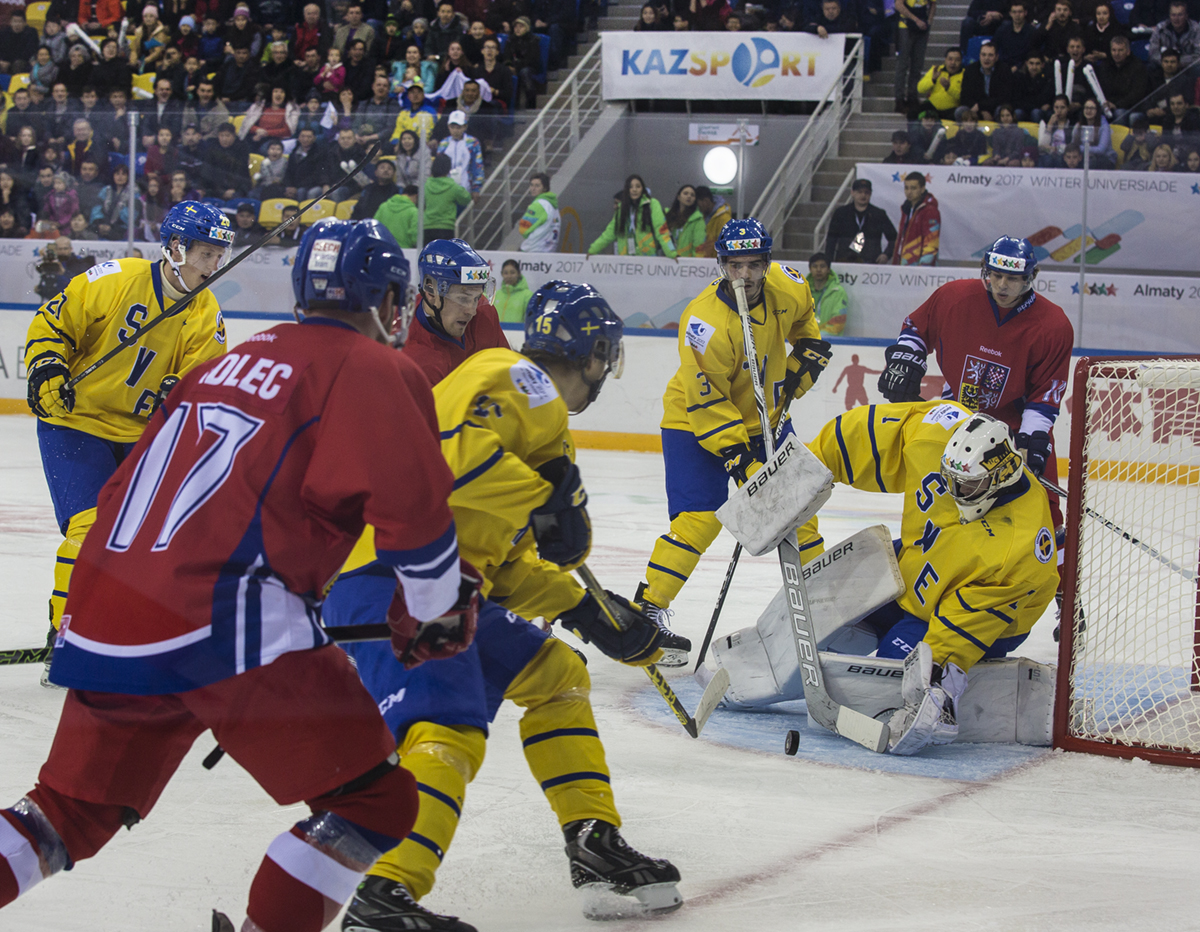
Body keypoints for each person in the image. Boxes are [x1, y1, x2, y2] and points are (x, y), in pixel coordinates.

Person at [2, 217, 481, 932]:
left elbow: (121, 491)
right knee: (374, 801)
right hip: (225, 618)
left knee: (66, 814)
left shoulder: (224, 362)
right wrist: (436, 607)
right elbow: (414, 515)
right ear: (390, 300)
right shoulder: (372, 368)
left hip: (107, 602)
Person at [326, 280, 680, 932]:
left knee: (558, 675)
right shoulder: (519, 379)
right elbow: (451, 458)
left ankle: (593, 839)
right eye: (606, 356)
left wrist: (587, 612)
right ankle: (383, 895)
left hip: (445, 582)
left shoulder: (537, 414)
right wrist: (545, 497)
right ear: (593, 354)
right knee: (447, 727)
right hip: (393, 577)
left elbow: (506, 565)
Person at [718, 402, 1058, 757]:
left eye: (967, 486)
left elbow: (964, 626)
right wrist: (803, 472)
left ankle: (964, 693)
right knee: (827, 595)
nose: (954, 490)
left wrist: (934, 681)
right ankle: (757, 669)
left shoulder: (1019, 548)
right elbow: (863, 437)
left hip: (963, 621)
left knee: (885, 682)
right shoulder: (935, 435)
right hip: (913, 568)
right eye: (949, 479)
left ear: (999, 479)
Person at [21, 201, 232, 685]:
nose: (214, 265)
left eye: (219, 256)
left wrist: (179, 395)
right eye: (206, 254)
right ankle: (65, 638)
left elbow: (202, 389)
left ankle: (123, 632)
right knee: (90, 530)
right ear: (176, 247)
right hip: (75, 423)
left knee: (148, 542)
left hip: (140, 438)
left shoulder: (207, 315)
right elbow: (53, 323)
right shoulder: (114, 279)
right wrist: (48, 366)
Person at [635, 219, 830, 664]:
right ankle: (647, 610)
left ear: (767, 264)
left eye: (754, 265)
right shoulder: (703, 321)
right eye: (735, 266)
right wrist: (738, 458)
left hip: (767, 420)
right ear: (722, 266)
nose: (744, 276)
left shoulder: (789, 286)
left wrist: (804, 357)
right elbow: (706, 400)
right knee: (699, 519)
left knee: (799, 508)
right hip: (694, 423)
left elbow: (806, 322)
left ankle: (823, 604)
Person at [876, 235, 1073, 540]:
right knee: (946, 500)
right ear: (985, 270)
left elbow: (1044, 396)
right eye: (996, 275)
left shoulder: (1053, 326)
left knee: (1042, 513)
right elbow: (916, 328)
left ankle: (1050, 564)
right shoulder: (955, 297)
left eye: (1012, 279)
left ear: (1031, 277)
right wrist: (905, 358)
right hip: (958, 417)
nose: (1002, 286)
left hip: (1015, 428)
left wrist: (1030, 440)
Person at [399, 238, 507, 383]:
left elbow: (509, 376)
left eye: (476, 297)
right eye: (462, 298)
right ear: (431, 292)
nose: (472, 311)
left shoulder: (484, 313)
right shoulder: (411, 352)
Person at [586, 174, 676, 258]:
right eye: (631, 187)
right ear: (627, 190)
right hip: (626, 260)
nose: (634, 190)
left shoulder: (652, 204)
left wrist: (672, 253)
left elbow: (661, 230)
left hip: (647, 258)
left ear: (642, 189)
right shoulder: (621, 208)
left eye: (638, 186)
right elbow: (609, 233)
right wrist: (593, 250)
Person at [824, 178, 897, 263]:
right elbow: (831, 239)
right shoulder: (841, 213)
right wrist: (828, 261)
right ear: (852, 193)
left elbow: (894, 238)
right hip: (845, 261)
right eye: (859, 192)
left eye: (866, 192)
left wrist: (886, 254)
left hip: (871, 262)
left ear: (870, 194)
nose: (863, 195)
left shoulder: (879, 214)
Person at [894, 0, 936, 114]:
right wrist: (915, 19)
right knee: (902, 65)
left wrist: (929, 21)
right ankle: (899, 99)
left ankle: (913, 97)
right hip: (905, 26)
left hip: (922, 26)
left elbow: (933, 4)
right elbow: (898, 4)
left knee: (917, 64)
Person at [892, 172, 940, 266]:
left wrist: (923, 268)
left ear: (922, 189)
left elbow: (931, 243)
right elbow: (901, 239)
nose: (909, 192)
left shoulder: (930, 211)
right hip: (903, 265)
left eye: (913, 188)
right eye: (906, 188)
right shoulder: (906, 209)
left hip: (919, 268)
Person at [422, 152, 473, 240]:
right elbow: (466, 199)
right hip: (446, 227)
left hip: (427, 226)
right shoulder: (453, 186)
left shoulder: (426, 185)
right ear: (448, 169)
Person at [435, 110, 484, 196]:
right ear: (448, 126)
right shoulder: (443, 143)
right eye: (452, 127)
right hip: (446, 189)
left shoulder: (472, 143)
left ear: (465, 127)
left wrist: (476, 188)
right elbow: (438, 167)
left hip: (465, 188)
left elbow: (478, 165)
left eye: (459, 127)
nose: (455, 131)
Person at [960, 42, 1010, 122]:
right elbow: (965, 97)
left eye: (990, 55)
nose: (986, 58)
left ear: (997, 57)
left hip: (994, 107)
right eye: (983, 55)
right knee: (960, 111)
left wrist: (981, 106)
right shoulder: (970, 70)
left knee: (1001, 110)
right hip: (976, 109)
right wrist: (981, 111)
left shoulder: (1004, 70)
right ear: (979, 56)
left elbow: (1004, 97)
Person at [992, 0, 1042, 72]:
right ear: (1010, 13)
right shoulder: (1002, 30)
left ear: (1025, 13)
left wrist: (1018, 66)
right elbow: (994, 47)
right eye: (1014, 12)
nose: (1017, 15)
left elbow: (1034, 54)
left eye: (1020, 12)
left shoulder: (1032, 32)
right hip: (1004, 68)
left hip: (1024, 69)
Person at [807, 252, 849, 336]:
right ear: (810, 269)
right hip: (804, 340)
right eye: (815, 266)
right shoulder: (803, 291)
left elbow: (838, 323)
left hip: (829, 341)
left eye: (822, 266)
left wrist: (815, 337)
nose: (818, 270)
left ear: (828, 269)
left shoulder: (838, 292)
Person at [1148, 1, 1200, 68]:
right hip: (1164, 67)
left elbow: (1198, 56)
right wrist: (1167, 63)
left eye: (1180, 15)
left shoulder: (1196, 30)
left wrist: (1176, 62)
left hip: (1188, 68)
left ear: (1186, 16)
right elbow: (1153, 53)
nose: (1176, 18)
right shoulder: (1160, 29)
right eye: (1173, 15)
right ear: (1169, 15)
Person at [519, 172, 561, 253]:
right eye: (531, 185)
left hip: (533, 249)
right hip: (549, 249)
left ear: (545, 188)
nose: (533, 188)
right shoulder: (553, 205)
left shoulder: (538, 205)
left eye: (537, 186)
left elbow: (523, 230)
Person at [917, 47, 964, 119]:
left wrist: (948, 88)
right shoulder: (936, 69)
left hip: (952, 110)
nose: (953, 63)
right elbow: (920, 89)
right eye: (950, 59)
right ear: (945, 60)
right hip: (933, 107)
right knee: (912, 113)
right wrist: (933, 80)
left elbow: (963, 97)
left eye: (957, 60)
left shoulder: (965, 74)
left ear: (961, 61)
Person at [664, 183, 706, 257]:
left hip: (687, 260)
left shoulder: (697, 219)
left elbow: (699, 243)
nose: (689, 196)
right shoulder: (667, 215)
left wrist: (697, 261)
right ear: (678, 197)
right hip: (668, 258)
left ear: (695, 200)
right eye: (685, 193)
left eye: (692, 195)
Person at [374, 183, 419, 247]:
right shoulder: (414, 211)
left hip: (383, 248)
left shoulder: (383, 206)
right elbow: (415, 236)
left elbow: (375, 227)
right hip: (404, 250)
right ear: (416, 196)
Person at [694, 184, 731, 257]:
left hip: (715, 260)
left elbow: (726, 244)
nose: (699, 209)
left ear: (706, 201)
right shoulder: (702, 216)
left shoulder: (723, 218)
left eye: (699, 206)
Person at [494, 257, 533, 323]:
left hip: (518, 329)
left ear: (518, 273)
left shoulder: (527, 295)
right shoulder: (496, 295)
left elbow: (530, 319)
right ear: (502, 274)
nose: (509, 276)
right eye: (506, 273)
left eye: (512, 272)